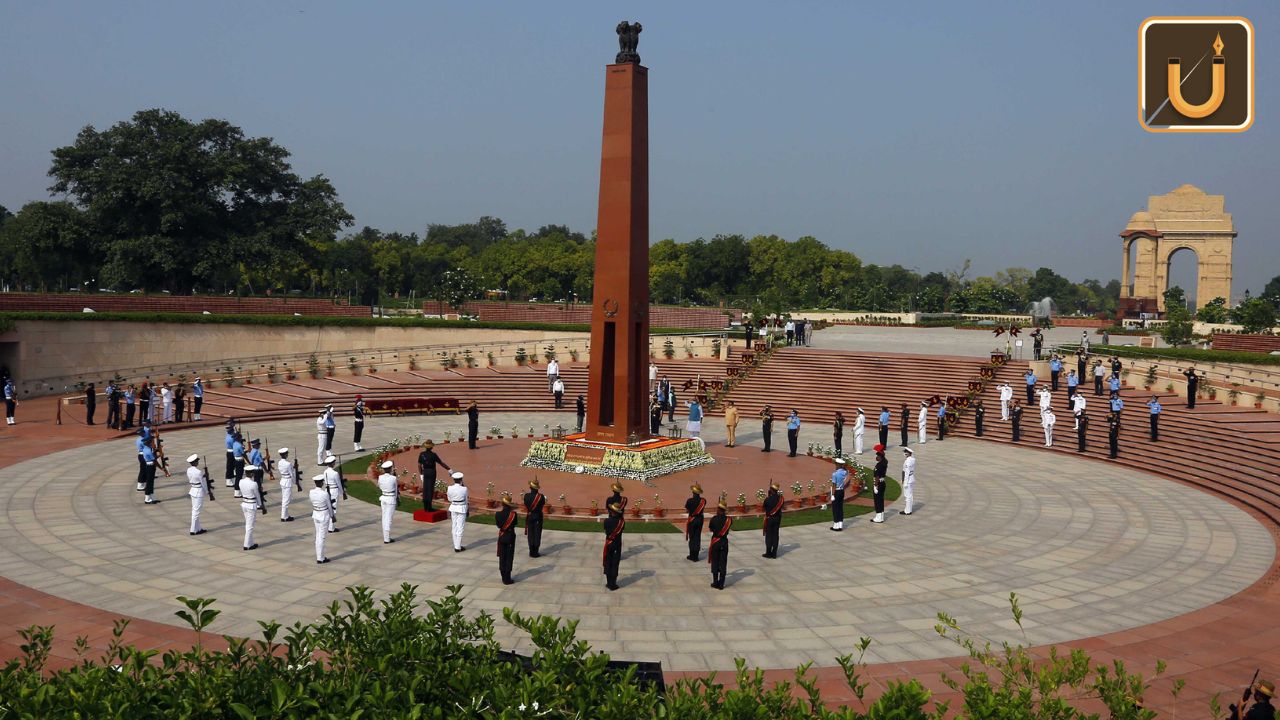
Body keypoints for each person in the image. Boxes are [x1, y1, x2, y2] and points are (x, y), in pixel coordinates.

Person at [416, 440, 451, 512]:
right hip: (432, 472)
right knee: (430, 489)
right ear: (431, 447)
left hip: (425, 472)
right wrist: (449, 469)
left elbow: (419, 465)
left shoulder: (422, 454)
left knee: (425, 488)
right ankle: (429, 507)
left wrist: (421, 474)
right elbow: (441, 463)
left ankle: (425, 507)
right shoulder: (433, 455)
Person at [309, 474, 333, 564]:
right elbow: (329, 506)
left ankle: (319, 556)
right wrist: (332, 516)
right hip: (323, 515)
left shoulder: (311, 492)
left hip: (316, 514)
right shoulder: (324, 493)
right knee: (321, 537)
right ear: (320, 483)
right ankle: (320, 557)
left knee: (318, 535)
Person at [708, 500, 732, 590]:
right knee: (723, 562)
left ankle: (715, 582)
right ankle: (721, 584)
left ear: (718, 509)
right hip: (724, 542)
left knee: (715, 562)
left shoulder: (714, 519)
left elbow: (711, 529)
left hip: (716, 541)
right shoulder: (729, 520)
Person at [495, 493, 518, 585]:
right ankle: (507, 578)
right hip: (510, 536)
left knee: (502, 556)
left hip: (502, 536)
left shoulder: (497, 514)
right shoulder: (513, 514)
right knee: (509, 557)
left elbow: (498, 525)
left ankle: (503, 575)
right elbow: (515, 523)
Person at [602, 502, 625, 591]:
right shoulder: (622, 522)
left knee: (608, 562)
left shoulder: (607, 521)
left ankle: (608, 583)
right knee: (615, 564)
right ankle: (613, 584)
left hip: (608, 544)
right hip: (617, 545)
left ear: (611, 511)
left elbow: (606, 532)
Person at [186, 454, 211, 535]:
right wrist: (207, 491)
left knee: (195, 510)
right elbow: (203, 483)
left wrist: (203, 476)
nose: (198, 462)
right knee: (196, 512)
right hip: (198, 491)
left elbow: (196, 478)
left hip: (193, 489)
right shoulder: (198, 472)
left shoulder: (189, 470)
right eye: (197, 461)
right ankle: (193, 530)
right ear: (195, 462)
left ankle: (198, 528)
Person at [239, 465, 261, 551]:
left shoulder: (241, 481)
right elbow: (257, 495)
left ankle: (250, 542)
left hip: (244, 503)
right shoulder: (253, 484)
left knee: (248, 524)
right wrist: (260, 505)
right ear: (251, 473)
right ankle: (247, 544)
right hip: (251, 505)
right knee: (250, 526)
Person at [377, 460, 398, 544]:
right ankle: (387, 538)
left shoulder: (380, 477)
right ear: (390, 469)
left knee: (384, 517)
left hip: (383, 497)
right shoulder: (393, 478)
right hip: (391, 498)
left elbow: (379, 486)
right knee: (388, 519)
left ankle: (386, 536)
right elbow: (396, 489)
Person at [523, 479, 545, 557]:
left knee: (531, 534)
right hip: (538, 517)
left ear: (530, 487)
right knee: (537, 533)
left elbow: (526, 504)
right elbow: (542, 504)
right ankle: (535, 551)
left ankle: (531, 550)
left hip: (530, 516)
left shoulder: (526, 496)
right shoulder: (541, 497)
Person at [446, 471, 468, 552]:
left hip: (453, 507)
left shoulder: (449, 488)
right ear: (461, 479)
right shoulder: (464, 489)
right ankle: (457, 547)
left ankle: (456, 545)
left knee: (454, 526)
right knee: (460, 527)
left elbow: (449, 499)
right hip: (461, 508)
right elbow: (466, 500)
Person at [322, 455, 344, 532]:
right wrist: (342, 492)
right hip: (334, 491)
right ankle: (331, 527)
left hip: (327, 490)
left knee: (329, 508)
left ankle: (328, 526)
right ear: (332, 463)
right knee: (333, 508)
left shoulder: (325, 472)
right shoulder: (335, 473)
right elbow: (339, 484)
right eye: (334, 462)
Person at [684, 483, 705, 561]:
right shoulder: (703, 501)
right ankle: (696, 556)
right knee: (697, 536)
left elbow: (687, 510)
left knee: (692, 537)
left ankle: (692, 555)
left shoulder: (689, 501)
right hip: (700, 520)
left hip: (692, 520)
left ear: (693, 492)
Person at [762, 481, 783, 558]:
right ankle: (774, 553)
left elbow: (764, 507)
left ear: (771, 490)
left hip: (769, 519)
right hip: (777, 518)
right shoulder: (781, 499)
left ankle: (768, 552)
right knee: (775, 535)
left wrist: (769, 496)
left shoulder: (768, 499)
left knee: (769, 535)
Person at [277, 447, 297, 522]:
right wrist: (296, 482)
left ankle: (285, 515)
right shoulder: (288, 464)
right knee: (286, 500)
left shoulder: (279, 462)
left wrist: (293, 468)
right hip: (288, 481)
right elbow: (291, 474)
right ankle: (284, 516)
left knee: (284, 499)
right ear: (285, 454)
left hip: (283, 480)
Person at [830, 457, 849, 531]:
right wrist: (843, 466)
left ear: (838, 464)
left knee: (835, 508)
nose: (835, 465)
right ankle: (840, 524)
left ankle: (836, 525)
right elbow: (846, 469)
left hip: (837, 491)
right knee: (840, 508)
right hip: (842, 491)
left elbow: (834, 485)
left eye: (836, 464)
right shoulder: (844, 472)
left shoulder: (835, 474)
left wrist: (832, 495)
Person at [871, 445, 887, 523]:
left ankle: (878, 516)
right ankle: (881, 516)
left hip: (879, 484)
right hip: (882, 482)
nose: (876, 457)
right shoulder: (884, 462)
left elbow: (877, 476)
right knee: (881, 500)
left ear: (880, 456)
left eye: (877, 455)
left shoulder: (879, 465)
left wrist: (875, 486)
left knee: (877, 501)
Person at [900, 447, 916, 516]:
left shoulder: (908, 461)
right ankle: (909, 509)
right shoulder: (912, 459)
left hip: (908, 480)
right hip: (911, 478)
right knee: (910, 496)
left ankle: (907, 511)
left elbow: (907, 472)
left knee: (907, 496)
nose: (904, 453)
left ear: (908, 453)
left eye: (905, 452)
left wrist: (905, 482)